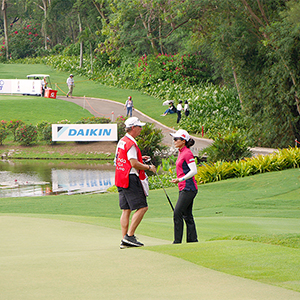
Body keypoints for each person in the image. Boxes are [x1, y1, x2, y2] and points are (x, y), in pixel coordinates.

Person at [115, 117, 156, 249]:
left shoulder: (122, 141)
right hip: (130, 177)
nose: (141, 129)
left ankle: (124, 240)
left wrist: (140, 158)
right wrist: (149, 167)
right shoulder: (131, 143)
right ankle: (130, 236)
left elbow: (120, 159)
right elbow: (133, 163)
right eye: (139, 127)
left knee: (126, 210)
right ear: (133, 128)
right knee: (143, 207)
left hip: (120, 177)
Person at [170, 129, 198, 244]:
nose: (174, 141)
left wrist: (180, 179)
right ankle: (192, 241)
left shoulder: (187, 153)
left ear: (183, 141)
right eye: (174, 139)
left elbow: (194, 171)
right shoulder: (181, 152)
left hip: (189, 188)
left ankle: (177, 241)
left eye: (176, 139)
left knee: (177, 213)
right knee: (187, 215)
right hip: (184, 188)